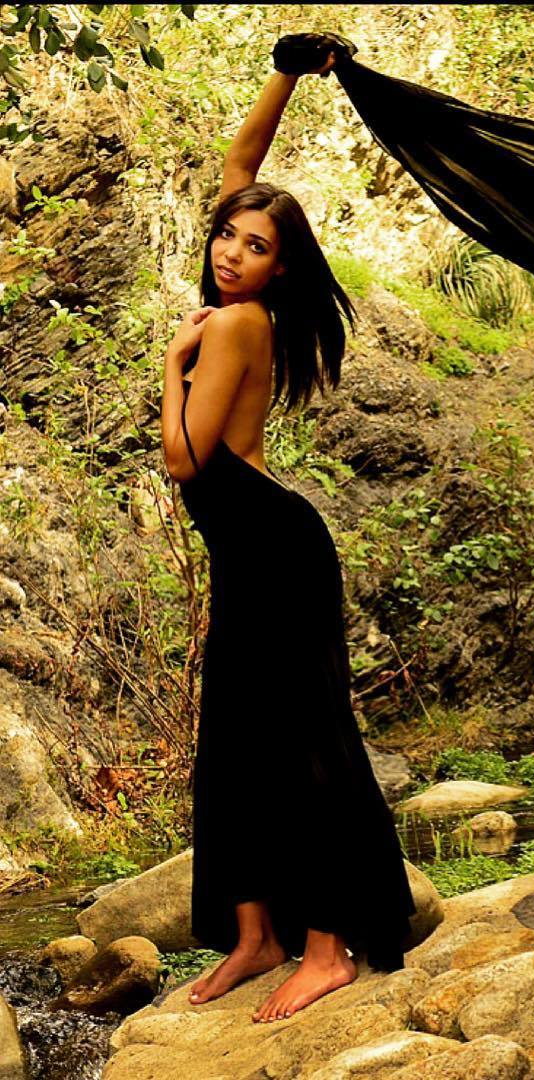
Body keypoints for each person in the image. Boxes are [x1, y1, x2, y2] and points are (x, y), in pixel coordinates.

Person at [160, 47, 417, 1024]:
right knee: (235, 740)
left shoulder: (233, 326)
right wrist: (287, 76)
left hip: (276, 554)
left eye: (256, 245)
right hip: (250, 553)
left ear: (281, 265)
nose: (231, 251)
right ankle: (256, 936)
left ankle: (326, 947)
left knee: (307, 742)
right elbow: (242, 168)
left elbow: (185, 460)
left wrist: (173, 366)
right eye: (227, 235)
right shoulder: (236, 297)